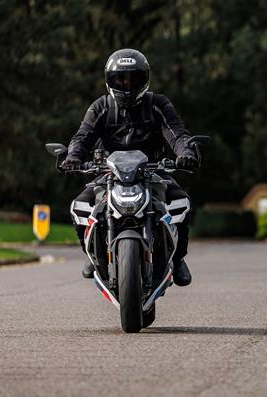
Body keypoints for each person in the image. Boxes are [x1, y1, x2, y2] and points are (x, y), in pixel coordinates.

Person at [62, 48, 197, 286]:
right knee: (79, 206)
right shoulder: (100, 107)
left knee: (181, 202)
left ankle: (177, 259)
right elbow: (82, 137)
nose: (126, 85)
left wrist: (185, 152)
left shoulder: (158, 104)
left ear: (144, 79)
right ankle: (93, 256)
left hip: (153, 171)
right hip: (107, 172)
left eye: (133, 78)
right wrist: (73, 156)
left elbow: (177, 134)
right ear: (109, 80)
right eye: (120, 79)